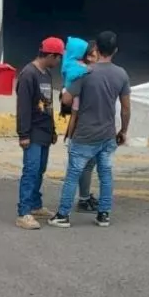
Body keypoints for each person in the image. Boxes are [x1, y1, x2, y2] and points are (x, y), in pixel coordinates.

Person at [49, 31, 129, 229]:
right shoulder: (121, 74)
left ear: (95, 50)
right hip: (108, 134)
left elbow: (67, 100)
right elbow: (126, 108)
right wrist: (123, 131)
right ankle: (103, 215)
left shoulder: (84, 72)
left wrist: (67, 88)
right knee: (105, 174)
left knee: (73, 174)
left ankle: (63, 215)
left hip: (84, 134)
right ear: (115, 51)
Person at [15, 37, 65, 229]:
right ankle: (23, 213)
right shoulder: (29, 74)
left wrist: (52, 130)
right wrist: (23, 134)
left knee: (40, 170)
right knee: (31, 170)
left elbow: (48, 105)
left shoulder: (46, 74)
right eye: (58, 58)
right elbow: (23, 108)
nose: (59, 62)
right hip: (33, 132)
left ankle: (35, 204)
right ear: (51, 55)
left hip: (44, 130)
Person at [60, 38, 101, 213]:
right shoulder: (80, 72)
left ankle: (80, 199)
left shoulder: (75, 69)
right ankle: (72, 206)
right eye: (91, 54)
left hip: (84, 124)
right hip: (84, 126)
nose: (94, 57)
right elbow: (70, 102)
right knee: (81, 167)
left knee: (86, 165)